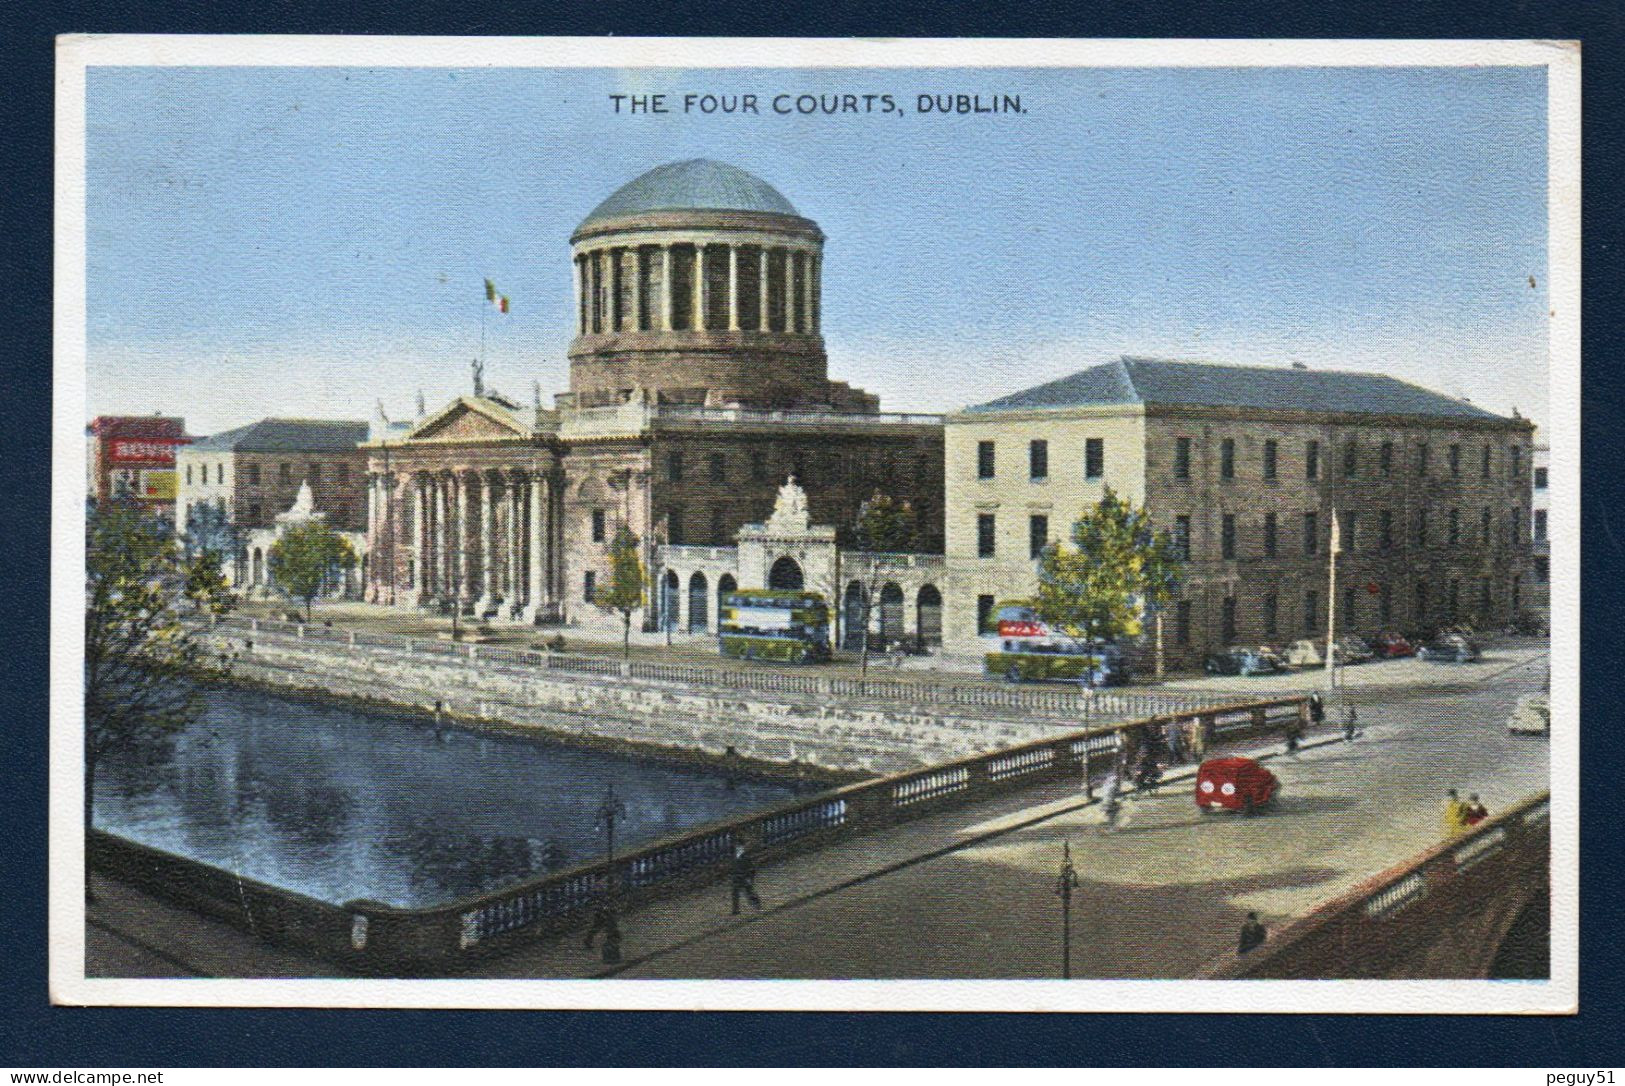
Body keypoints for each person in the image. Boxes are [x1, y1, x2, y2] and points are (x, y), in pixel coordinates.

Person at [730, 843, 762, 915]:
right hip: (737, 877)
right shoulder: (735, 857)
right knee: (735, 893)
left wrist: (750, 878)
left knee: (749, 892)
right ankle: (736, 909)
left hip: (744, 877)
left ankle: (757, 904)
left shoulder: (745, 857)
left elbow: (751, 869)